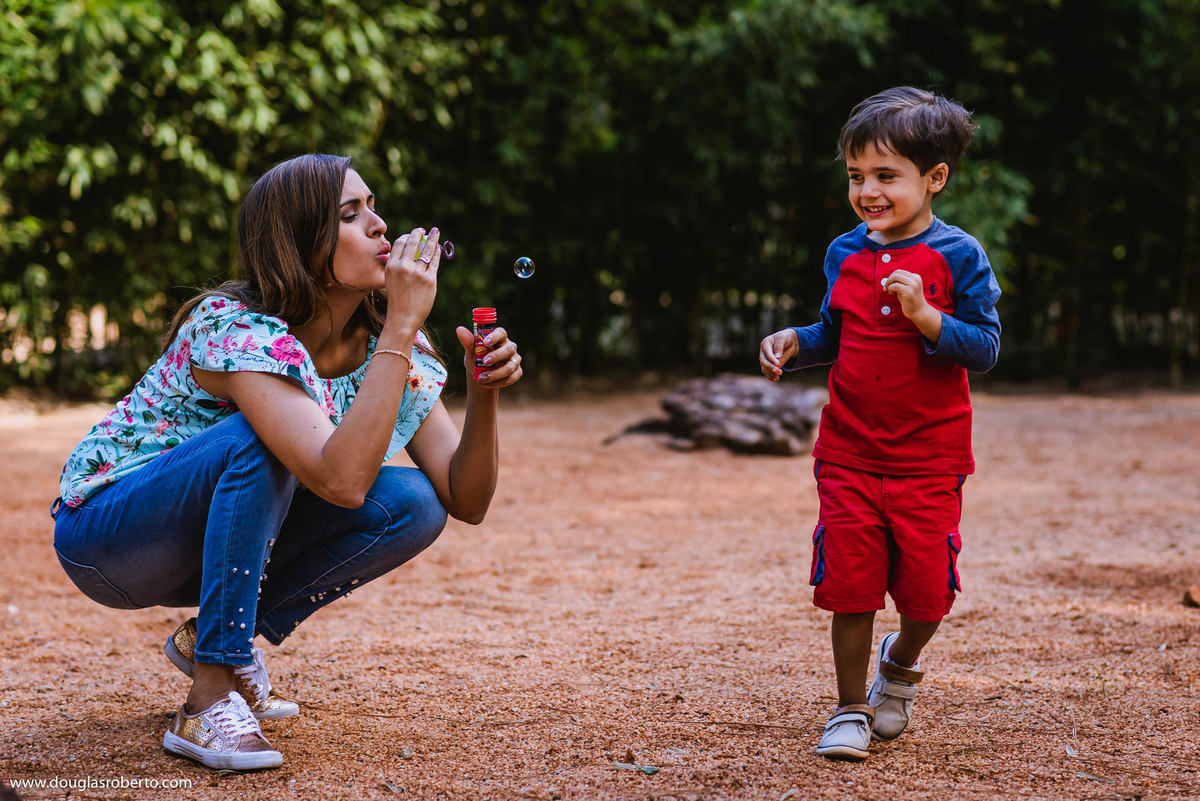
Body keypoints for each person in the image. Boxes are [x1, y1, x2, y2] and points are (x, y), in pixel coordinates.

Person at [51, 154, 523, 771]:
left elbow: (466, 501)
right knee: (259, 439)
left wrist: (482, 392)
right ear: (298, 246)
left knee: (413, 503)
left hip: (211, 541)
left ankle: (215, 640)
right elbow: (341, 480)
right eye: (351, 215)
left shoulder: (384, 346)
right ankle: (209, 696)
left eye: (374, 208)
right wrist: (402, 328)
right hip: (110, 533)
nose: (381, 226)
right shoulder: (238, 329)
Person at [759, 87, 1000, 761]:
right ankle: (849, 708)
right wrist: (797, 343)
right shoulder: (845, 252)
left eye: (885, 176)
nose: (867, 190)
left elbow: (985, 347)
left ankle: (900, 662)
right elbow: (835, 331)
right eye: (855, 176)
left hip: (930, 459)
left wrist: (929, 319)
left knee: (928, 595)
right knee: (851, 585)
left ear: (934, 178)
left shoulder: (959, 256)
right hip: (849, 452)